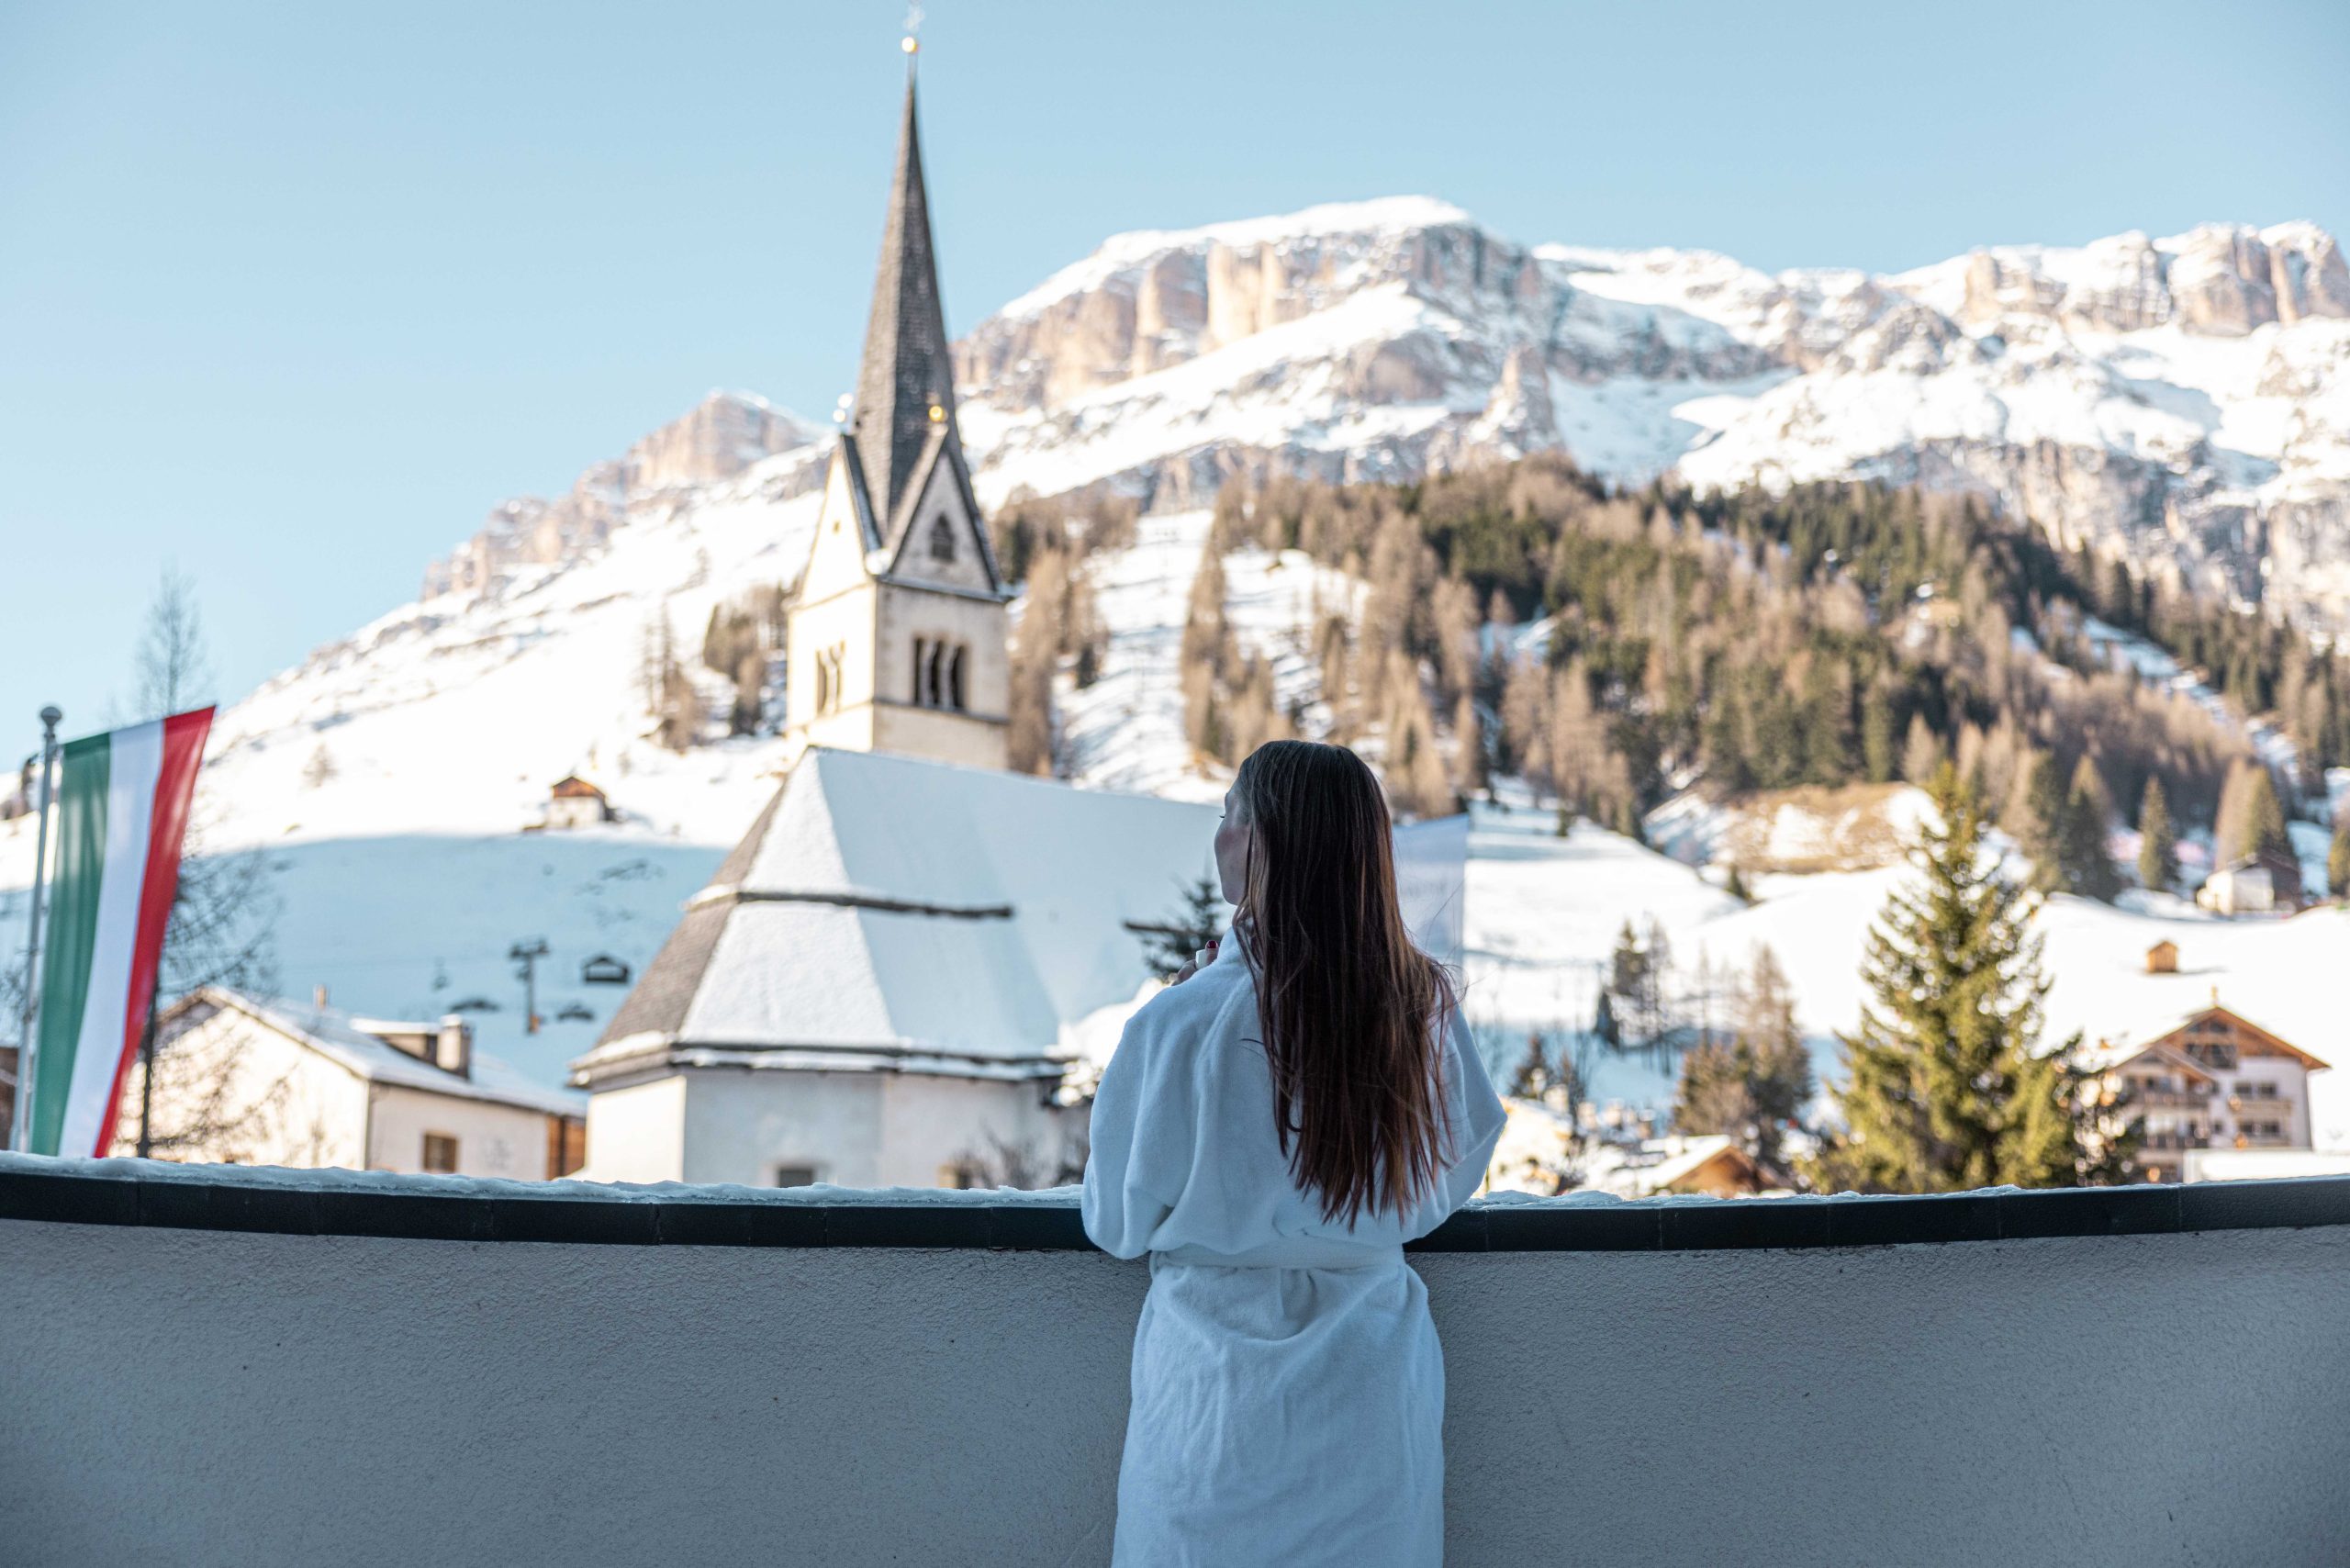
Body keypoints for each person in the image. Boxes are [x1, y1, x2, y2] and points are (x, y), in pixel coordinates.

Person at [1082, 739, 1507, 1566]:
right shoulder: (1421, 1017)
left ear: (1258, 842)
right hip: (1371, 1400)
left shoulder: (1180, 1022)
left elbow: (1114, 1221)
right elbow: (1452, 1170)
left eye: (1228, 818)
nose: (1218, 838)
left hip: (1212, 1409)